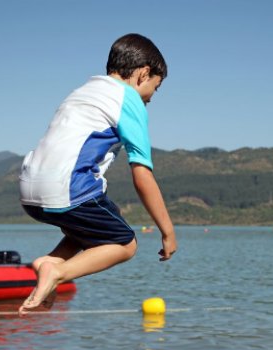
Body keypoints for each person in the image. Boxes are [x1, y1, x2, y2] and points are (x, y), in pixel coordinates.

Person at [18, 33, 177, 314]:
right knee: (125, 243)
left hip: (29, 189)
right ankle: (57, 273)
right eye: (156, 87)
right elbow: (141, 174)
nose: (152, 97)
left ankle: (52, 262)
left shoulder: (82, 91)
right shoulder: (129, 100)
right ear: (143, 74)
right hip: (67, 188)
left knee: (93, 227)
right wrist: (167, 230)